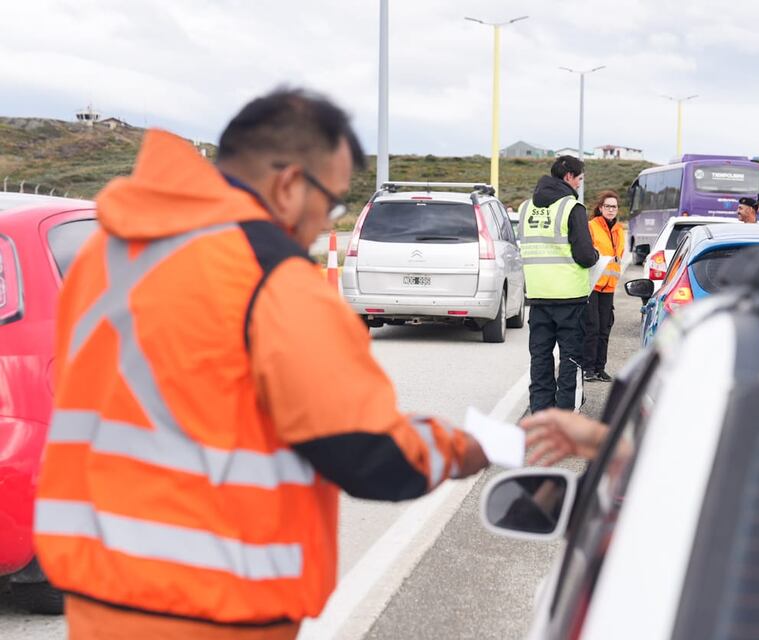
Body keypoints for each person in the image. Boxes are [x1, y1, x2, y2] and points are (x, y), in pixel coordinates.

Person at [33, 88, 489, 639]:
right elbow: (371, 452)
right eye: (333, 203)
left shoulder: (107, 253)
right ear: (291, 185)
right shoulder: (271, 279)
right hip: (214, 608)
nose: (326, 221)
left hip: (98, 598)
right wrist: (468, 448)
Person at [518, 155, 599, 412]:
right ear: (569, 177)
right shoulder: (571, 208)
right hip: (569, 297)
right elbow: (585, 256)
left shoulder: (525, 208)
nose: (579, 185)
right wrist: (596, 256)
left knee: (540, 356)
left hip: (538, 295)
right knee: (571, 358)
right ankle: (565, 414)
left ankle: (540, 412)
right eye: (580, 180)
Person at [583, 190, 626, 382]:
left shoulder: (619, 230)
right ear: (600, 208)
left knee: (604, 329)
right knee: (592, 328)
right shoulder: (592, 226)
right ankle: (588, 368)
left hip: (609, 287)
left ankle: (600, 368)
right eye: (607, 206)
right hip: (593, 284)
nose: (611, 210)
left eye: (614, 207)